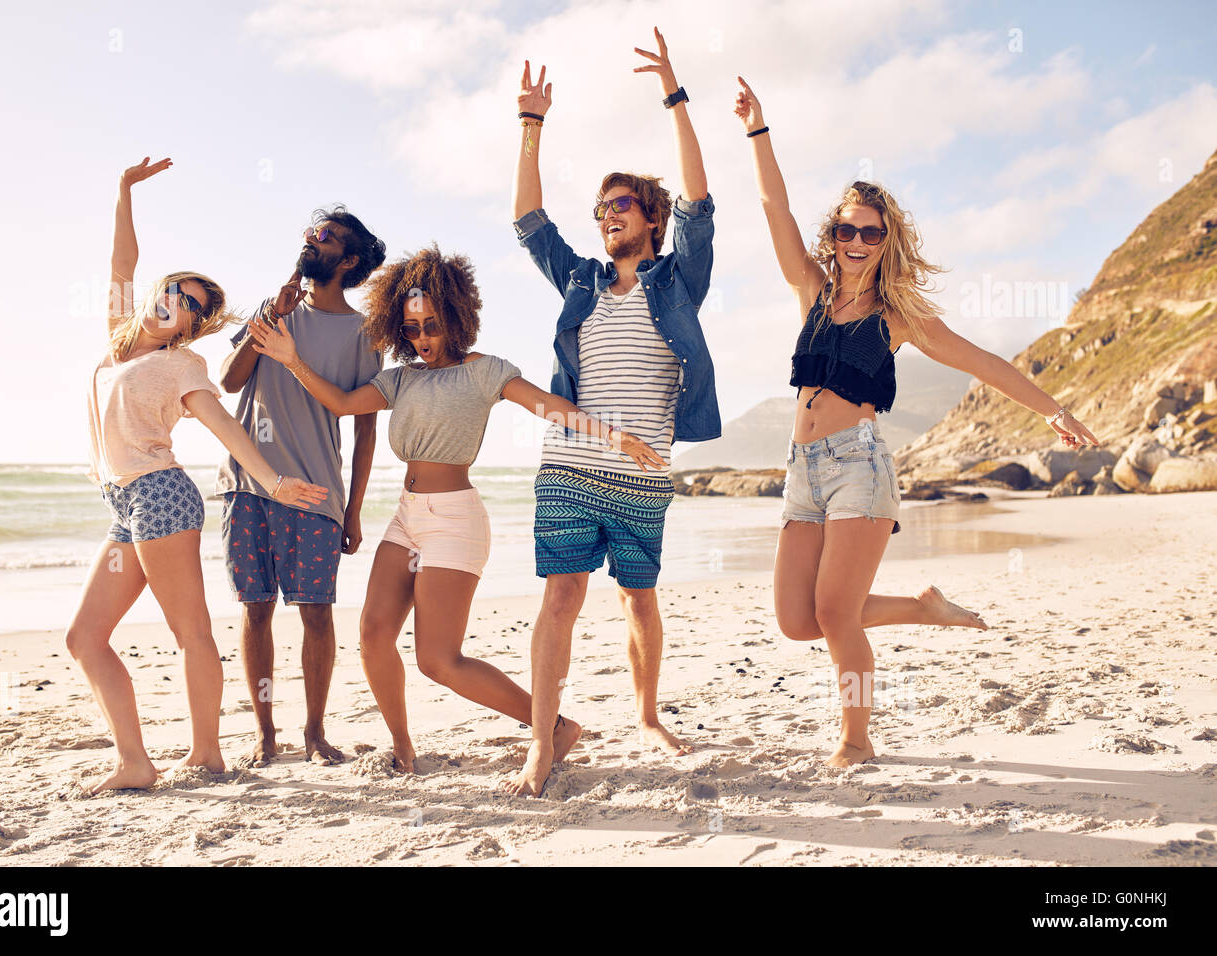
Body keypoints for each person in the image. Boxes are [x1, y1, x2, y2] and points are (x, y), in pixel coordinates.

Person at [732, 79, 1101, 767]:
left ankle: (856, 739)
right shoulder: (812, 293)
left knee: (837, 616)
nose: (857, 240)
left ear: (885, 240)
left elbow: (984, 361)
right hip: (801, 472)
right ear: (834, 235)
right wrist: (759, 131)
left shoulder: (896, 316)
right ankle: (925, 607)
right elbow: (772, 206)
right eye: (846, 229)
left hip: (859, 469)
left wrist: (1055, 409)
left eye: (871, 232)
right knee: (795, 620)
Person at [246, 246, 665, 773]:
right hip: (407, 516)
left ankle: (553, 726)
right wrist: (291, 360)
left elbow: (549, 406)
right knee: (374, 637)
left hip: (455, 520)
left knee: (438, 661)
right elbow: (342, 403)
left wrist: (615, 437)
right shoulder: (401, 378)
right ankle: (403, 747)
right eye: (413, 328)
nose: (422, 338)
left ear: (457, 317)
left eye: (432, 325)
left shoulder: (483, 372)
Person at [503, 28, 720, 797]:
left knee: (638, 597)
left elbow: (700, 200)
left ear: (650, 218)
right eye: (599, 208)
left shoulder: (678, 280)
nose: (605, 217)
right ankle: (540, 744)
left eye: (619, 205)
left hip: (642, 472)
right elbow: (529, 220)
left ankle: (647, 713)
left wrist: (675, 97)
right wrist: (531, 126)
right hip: (569, 463)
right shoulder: (583, 280)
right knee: (560, 596)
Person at [68, 157, 328, 794]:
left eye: (190, 303)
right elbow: (120, 264)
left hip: (161, 497)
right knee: (85, 638)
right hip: (123, 504)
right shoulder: (117, 341)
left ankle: (207, 754)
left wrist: (270, 481)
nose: (173, 302)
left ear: (194, 324)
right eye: (173, 290)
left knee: (190, 631)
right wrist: (124, 190)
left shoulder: (182, 364)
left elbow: (224, 426)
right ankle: (134, 760)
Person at [216, 206, 386, 767]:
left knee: (317, 612)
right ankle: (265, 733)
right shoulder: (277, 309)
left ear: (350, 259)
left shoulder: (365, 334)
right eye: (314, 233)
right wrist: (269, 316)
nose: (315, 241)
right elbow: (229, 380)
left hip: (315, 491)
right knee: (255, 608)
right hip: (246, 485)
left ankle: (314, 732)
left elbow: (366, 428)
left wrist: (354, 509)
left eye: (329, 237)